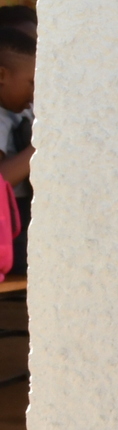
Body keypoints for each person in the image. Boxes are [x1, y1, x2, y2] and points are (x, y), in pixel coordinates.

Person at [0, 24, 30, 275]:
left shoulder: (15, 110)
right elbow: (2, 179)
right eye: (30, 83)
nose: (34, 93)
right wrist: (41, 147)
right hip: (9, 226)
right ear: (2, 74)